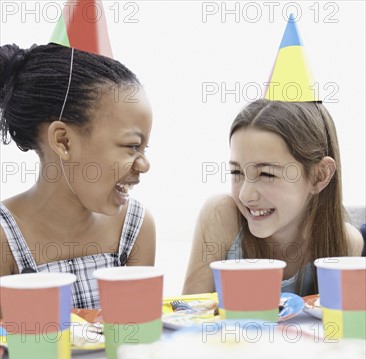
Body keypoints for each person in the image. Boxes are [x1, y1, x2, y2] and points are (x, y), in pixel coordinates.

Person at [0, 43, 154, 309]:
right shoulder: (5, 237)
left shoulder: (135, 227)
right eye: (131, 146)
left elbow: (136, 338)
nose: (144, 164)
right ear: (64, 141)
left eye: (144, 148)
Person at [183, 99, 363, 296]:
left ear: (319, 175)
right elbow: (190, 313)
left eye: (267, 174)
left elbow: (339, 323)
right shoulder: (221, 216)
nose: (245, 195)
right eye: (236, 172)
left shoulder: (345, 243)